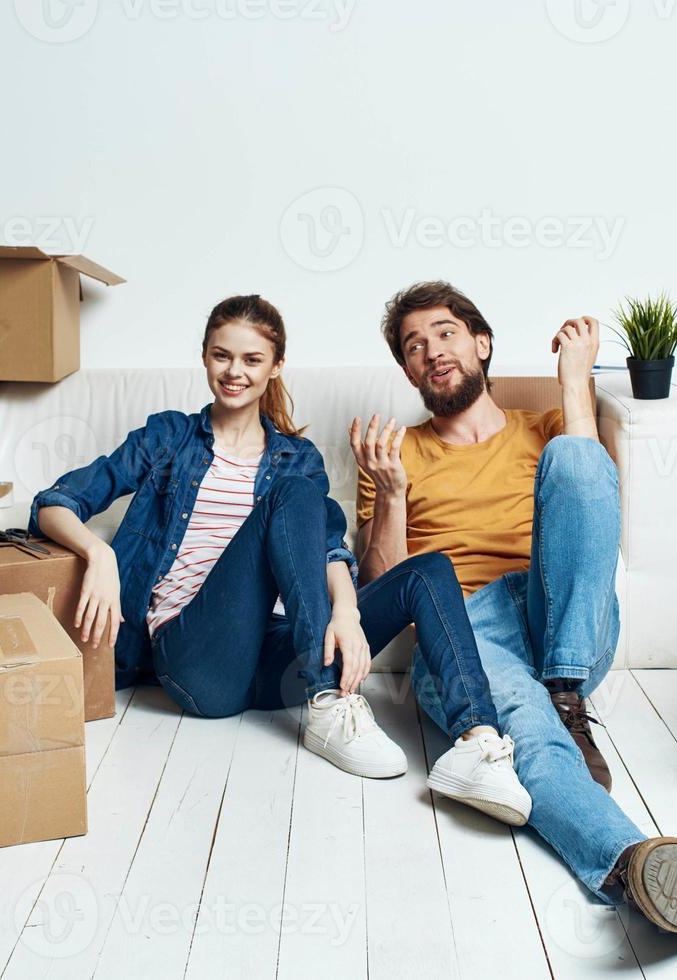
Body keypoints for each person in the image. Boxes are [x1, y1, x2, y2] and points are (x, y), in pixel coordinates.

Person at [28, 294, 531, 825]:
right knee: (291, 495)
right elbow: (55, 502)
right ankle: (327, 702)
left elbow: (330, 550)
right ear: (204, 358)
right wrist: (98, 554)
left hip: (276, 662)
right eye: (222, 357)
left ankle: (477, 742)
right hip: (196, 663)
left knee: (430, 570)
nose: (234, 373)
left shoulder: (296, 457)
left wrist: (346, 610)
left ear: (275, 367)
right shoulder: (168, 437)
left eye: (251, 360)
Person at [352, 281, 677, 935]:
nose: (431, 350)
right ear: (407, 370)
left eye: (445, 332)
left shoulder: (544, 429)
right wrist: (391, 495)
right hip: (466, 631)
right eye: (413, 345)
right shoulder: (396, 454)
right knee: (529, 744)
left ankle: (565, 687)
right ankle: (632, 864)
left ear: (481, 344)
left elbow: (592, 505)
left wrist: (572, 382)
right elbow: (386, 590)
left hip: (559, 610)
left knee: (576, 456)